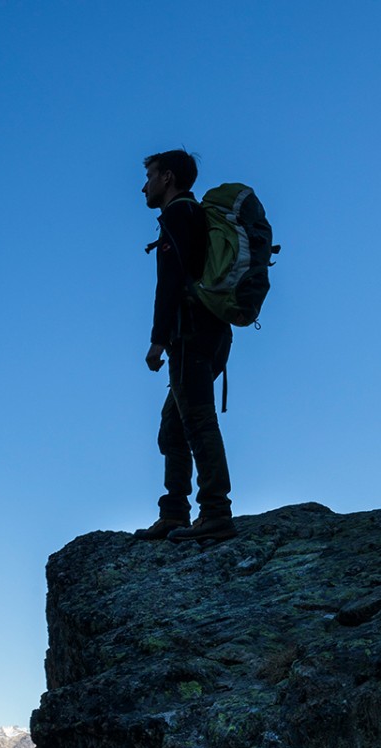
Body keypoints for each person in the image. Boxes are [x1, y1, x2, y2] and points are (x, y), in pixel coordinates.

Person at [135, 150, 237, 543]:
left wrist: (157, 341)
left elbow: (170, 283)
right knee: (173, 426)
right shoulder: (194, 216)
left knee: (196, 420)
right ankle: (174, 513)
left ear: (168, 178)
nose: (144, 185)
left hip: (189, 335)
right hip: (213, 334)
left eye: (150, 176)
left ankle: (215, 512)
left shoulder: (179, 215)